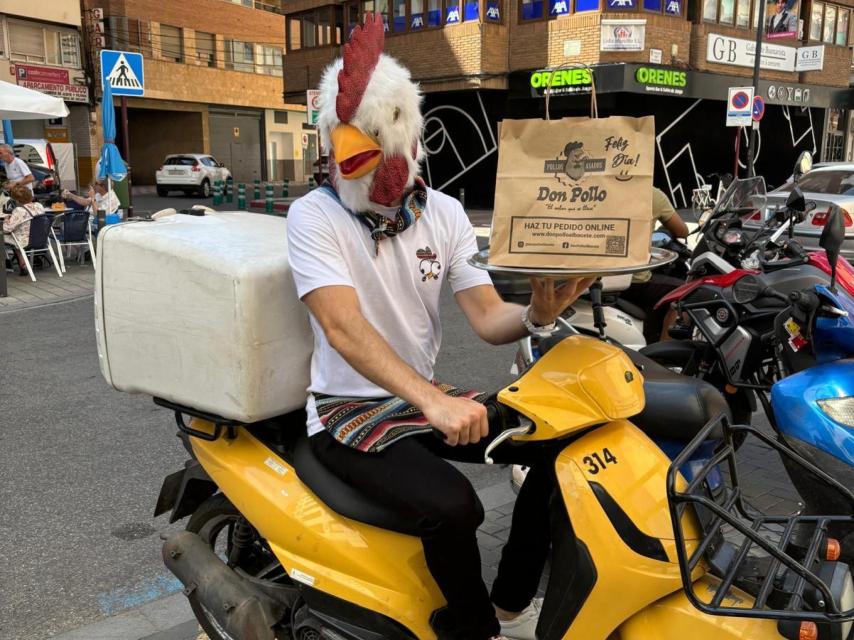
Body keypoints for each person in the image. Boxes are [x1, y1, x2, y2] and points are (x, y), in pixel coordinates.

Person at [287, 14, 594, 640]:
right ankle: (474, 629)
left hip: (417, 404)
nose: (363, 169)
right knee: (456, 505)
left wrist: (538, 314)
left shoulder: (446, 214)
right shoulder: (313, 217)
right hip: (346, 413)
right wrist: (432, 399)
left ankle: (510, 599)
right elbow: (342, 328)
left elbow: (486, 317)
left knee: (565, 440)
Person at [619, 187, 689, 342]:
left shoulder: (595, 191)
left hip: (591, 275)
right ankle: (663, 356)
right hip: (633, 281)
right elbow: (682, 231)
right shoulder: (653, 194)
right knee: (688, 293)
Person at [3, 184, 45, 276]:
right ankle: (23, 265)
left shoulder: (19, 211)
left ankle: (10, 264)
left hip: (25, 241)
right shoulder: (39, 206)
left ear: (16, 200)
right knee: (17, 238)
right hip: (41, 238)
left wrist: (6, 219)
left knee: (9, 238)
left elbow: (6, 229)